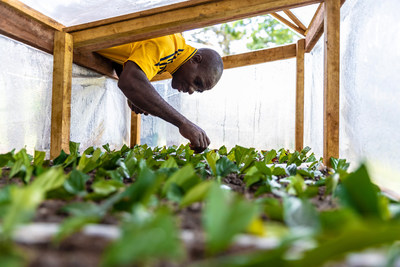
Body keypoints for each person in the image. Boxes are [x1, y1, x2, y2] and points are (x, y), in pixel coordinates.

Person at [97, 33, 223, 153]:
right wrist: (183, 123)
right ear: (195, 59)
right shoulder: (169, 44)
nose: (191, 90)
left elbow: (125, 56)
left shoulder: (171, 54)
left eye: (198, 90)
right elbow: (129, 80)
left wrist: (136, 94)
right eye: (197, 82)